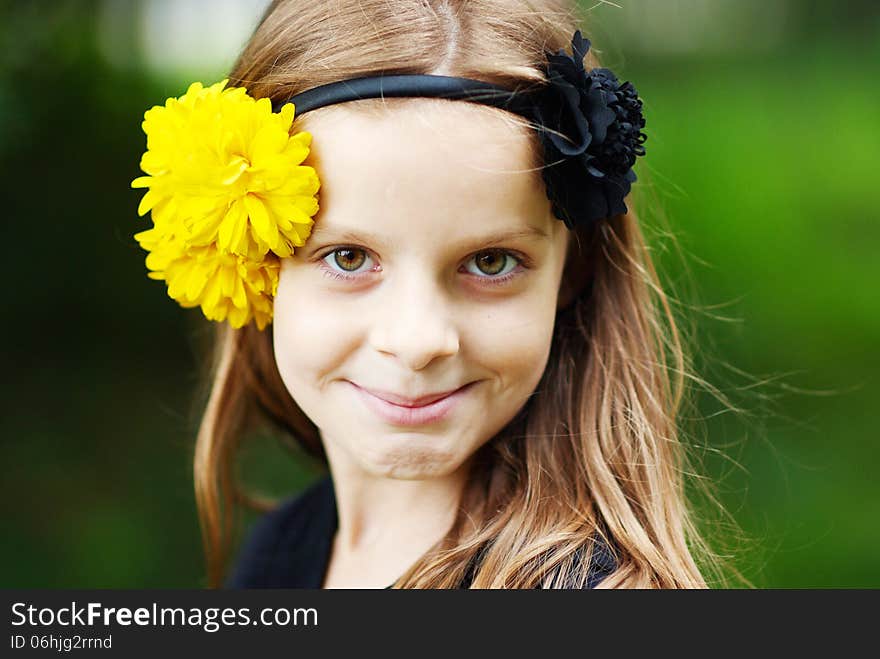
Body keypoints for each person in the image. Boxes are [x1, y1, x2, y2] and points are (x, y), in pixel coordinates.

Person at [132, 0, 722, 588]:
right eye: (349, 257)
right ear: (247, 258)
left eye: (490, 262)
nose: (417, 342)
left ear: (572, 273)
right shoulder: (281, 554)